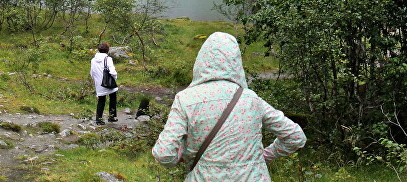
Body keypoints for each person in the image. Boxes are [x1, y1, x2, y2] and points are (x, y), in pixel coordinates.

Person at [153, 32, 305, 182]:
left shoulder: (185, 100)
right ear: (236, 63)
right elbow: (295, 137)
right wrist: (263, 157)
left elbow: (164, 154)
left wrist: (181, 154)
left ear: (201, 61)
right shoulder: (252, 99)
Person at [91, 42, 119, 124]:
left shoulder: (93, 60)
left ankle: (98, 119)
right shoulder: (108, 59)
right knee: (113, 98)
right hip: (108, 82)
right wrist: (114, 78)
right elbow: (112, 72)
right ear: (107, 49)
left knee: (101, 100)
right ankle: (111, 116)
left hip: (99, 83)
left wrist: (95, 80)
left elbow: (92, 72)